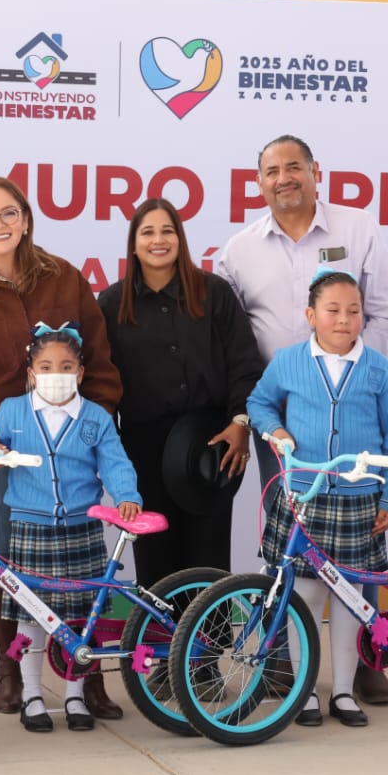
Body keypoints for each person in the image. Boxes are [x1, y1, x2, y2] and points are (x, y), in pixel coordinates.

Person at [215, 133, 388, 706]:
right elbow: (231, 339)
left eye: (294, 166)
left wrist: (344, 373)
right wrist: (255, 418)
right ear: (259, 181)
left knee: (359, 543)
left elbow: (386, 312)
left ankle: (365, 662)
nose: (283, 178)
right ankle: (283, 664)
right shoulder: (237, 250)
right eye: (272, 170)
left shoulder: (358, 229)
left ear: (315, 172)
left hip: (352, 413)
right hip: (282, 424)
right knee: (292, 548)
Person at [0, 176, 124, 719]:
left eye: (8, 214)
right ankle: (8, 670)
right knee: (0, 561)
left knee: (79, 563)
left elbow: (101, 364)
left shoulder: (64, 278)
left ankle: (85, 673)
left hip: (70, 449)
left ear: (27, 218)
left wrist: (98, 423)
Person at [247, 269, 388, 729]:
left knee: (350, 598)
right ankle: (305, 691)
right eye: (333, 310)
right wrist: (274, 431)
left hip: (359, 500)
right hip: (305, 495)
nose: (344, 320)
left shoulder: (378, 368)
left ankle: (343, 692)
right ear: (311, 315)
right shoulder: (288, 361)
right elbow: (259, 402)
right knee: (305, 598)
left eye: (353, 311)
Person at [97, 198, 263, 586]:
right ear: (133, 243)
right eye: (148, 232)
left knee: (208, 558)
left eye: (167, 231)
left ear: (181, 238)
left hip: (212, 445)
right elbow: (100, 383)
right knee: (154, 556)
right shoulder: (110, 304)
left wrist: (241, 424)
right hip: (142, 450)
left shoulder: (214, 293)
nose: (159, 240)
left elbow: (245, 365)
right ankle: (153, 645)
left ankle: (206, 648)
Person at [0, 326, 141, 733]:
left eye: (67, 366)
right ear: (32, 371)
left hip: (81, 529)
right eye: (46, 366)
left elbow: (115, 461)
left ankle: (75, 695)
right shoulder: (11, 409)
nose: (57, 374)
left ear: (81, 372)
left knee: (78, 620)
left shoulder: (96, 417)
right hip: (29, 527)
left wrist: (127, 493)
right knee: (31, 618)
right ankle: (34, 695)